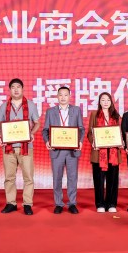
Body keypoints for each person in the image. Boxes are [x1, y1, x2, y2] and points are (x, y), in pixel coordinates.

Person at [0, 78, 40, 216]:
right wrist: (1, 137)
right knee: (9, 177)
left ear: (22, 89)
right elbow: (0, 125)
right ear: (10, 90)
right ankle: (11, 203)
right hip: (8, 147)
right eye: (13, 87)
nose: (16, 90)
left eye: (18, 87)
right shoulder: (4, 106)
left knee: (28, 177)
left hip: (26, 146)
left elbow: (37, 123)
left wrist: (31, 133)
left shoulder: (31, 105)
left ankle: (27, 204)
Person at [42, 86, 85, 214]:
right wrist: (47, 141)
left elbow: (81, 129)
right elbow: (45, 130)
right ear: (57, 96)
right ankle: (58, 204)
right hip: (57, 150)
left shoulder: (76, 110)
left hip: (72, 150)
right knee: (57, 178)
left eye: (65, 95)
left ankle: (72, 203)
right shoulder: (50, 111)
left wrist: (80, 141)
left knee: (72, 177)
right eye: (60, 95)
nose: (63, 97)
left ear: (70, 96)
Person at [87, 92, 122, 213]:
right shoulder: (94, 114)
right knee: (99, 180)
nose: (106, 102)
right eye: (103, 100)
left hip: (113, 153)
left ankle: (111, 203)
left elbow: (120, 133)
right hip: (99, 153)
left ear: (111, 102)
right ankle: (100, 204)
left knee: (113, 180)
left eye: (108, 100)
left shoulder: (116, 115)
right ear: (99, 102)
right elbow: (90, 132)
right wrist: (93, 142)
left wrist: (120, 141)